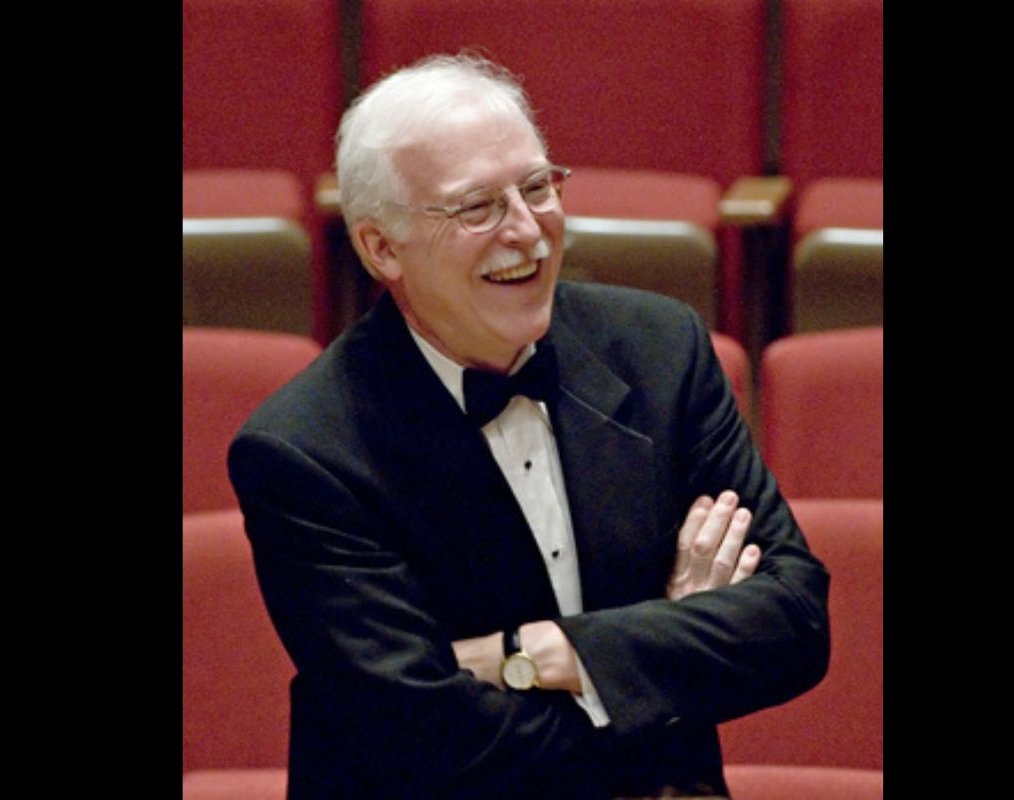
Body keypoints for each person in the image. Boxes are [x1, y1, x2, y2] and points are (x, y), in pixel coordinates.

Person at [228, 53, 830, 800]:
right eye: (477, 207)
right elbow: (427, 739)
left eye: (538, 186)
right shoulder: (303, 451)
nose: (529, 230)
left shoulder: (661, 350)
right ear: (382, 247)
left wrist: (535, 652)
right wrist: (663, 660)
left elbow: (795, 622)